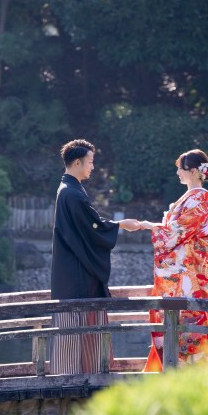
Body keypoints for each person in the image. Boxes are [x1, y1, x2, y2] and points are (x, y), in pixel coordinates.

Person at [49, 139, 141, 374]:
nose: (92, 167)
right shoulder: (72, 193)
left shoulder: (69, 189)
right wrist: (121, 224)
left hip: (71, 269)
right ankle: (78, 377)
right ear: (77, 162)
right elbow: (93, 228)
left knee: (75, 327)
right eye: (90, 162)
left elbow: (91, 226)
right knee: (78, 325)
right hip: (77, 272)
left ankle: (77, 373)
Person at [138, 149, 208, 371]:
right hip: (197, 277)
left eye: (180, 168)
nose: (177, 172)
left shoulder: (196, 205)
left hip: (190, 281)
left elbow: (172, 236)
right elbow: (176, 233)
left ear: (194, 172)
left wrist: (146, 225)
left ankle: (182, 373)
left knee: (184, 324)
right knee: (185, 325)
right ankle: (187, 371)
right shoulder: (201, 205)